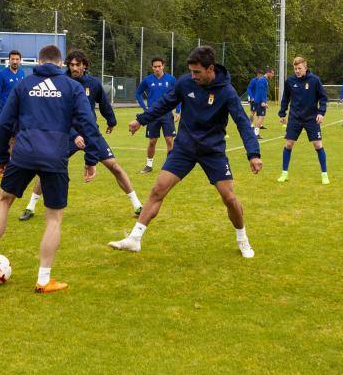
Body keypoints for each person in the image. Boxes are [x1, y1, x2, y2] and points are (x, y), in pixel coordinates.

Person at [0, 45, 101, 293]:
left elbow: (4, 123)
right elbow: (89, 124)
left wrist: (1, 156)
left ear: (38, 62)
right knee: (53, 217)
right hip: (55, 155)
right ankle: (43, 280)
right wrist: (91, 159)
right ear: (61, 64)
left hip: (24, 153)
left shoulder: (24, 84)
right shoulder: (72, 87)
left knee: (4, 200)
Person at [109, 46, 262, 258]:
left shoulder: (227, 92)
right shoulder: (185, 83)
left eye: (197, 72)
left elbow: (243, 123)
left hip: (212, 151)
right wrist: (141, 120)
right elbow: (164, 104)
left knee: (229, 197)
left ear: (210, 69)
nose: (193, 76)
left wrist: (253, 153)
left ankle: (242, 238)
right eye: (191, 71)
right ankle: (135, 239)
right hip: (184, 148)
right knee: (158, 189)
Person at [18, 49, 143, 220]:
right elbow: (57, 114)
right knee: (48, 168)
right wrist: (74, 135)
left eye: (77, 64)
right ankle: (30, 207)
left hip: (90, 133)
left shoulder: (94, 83)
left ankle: (137, 205)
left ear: (85, 65)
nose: (74, 67)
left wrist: (111, 121)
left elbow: (104, 104)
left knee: (114, 166)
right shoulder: (61, 83)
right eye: (71, 64)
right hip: (66, 134)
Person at [277, 56, 329, 184]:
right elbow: (285, 99)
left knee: (318, 145)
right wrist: (282, 113)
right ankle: (284, 174)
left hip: (311, 118)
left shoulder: (314, 80)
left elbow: (323, 98)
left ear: (305, 67)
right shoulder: (290, 81)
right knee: (288, 144)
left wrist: (321, 113)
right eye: (295, 68)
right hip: (295, 118)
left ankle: (324, 175)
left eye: (299, 68)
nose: (297, 71)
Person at [135, 57, 180, 174]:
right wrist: (145, 109)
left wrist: (177, 111)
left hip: (167, 113)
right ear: (152, 67)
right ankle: (148, 165)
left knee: (169, 140)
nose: (157, 69)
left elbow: (179, 95)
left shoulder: (171, 79)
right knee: (152, 141)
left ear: (163, 66)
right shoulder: (147, 80)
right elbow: (138, 94)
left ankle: (169, 166)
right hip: (152, 115)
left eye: (159, 66)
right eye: (155, 67)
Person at [0, 49, 25, 121]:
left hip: (18, 113)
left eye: (17, 59)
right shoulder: (1, 75)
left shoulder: (22, 73)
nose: (15, 61)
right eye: (12, 59)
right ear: (9, 60)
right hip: (5, 113)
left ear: (20, 60)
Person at [252, 67, 274, 139]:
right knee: (261, 117)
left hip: (258, 101)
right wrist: (263, 102)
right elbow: (261, 92)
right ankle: (255, 134)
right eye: (272, 73)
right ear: (268, 72)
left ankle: (255, 133)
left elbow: (263, 92)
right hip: (259, 101)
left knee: (259, 117)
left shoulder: (263, 80)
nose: (273, 75)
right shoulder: (262, 80)